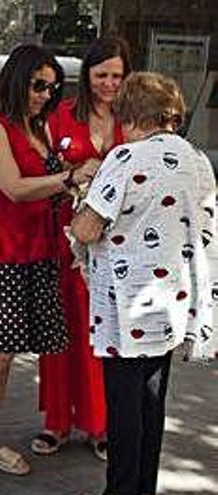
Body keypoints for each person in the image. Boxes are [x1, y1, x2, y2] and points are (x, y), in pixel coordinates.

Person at [0, 44, 98, 493]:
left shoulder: (40, 129)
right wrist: (68, 178)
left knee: (7, 355)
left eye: (52, 89)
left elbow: (45, 186)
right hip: (1, 255)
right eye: (37, 86)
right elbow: (13, 188)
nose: (45, 95)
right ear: (17, 80)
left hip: (38, 252)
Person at [70, 71, 215, 495]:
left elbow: (87, 229)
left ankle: (119, 490)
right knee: (152, 401)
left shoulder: (126, 158)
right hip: (171, 300)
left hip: (125, 306)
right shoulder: (198, 161)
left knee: (124, 406)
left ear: (129, 114)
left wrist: (82, 199)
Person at [35, 36, 131, 461]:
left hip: (117, 248)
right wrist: (74, 173)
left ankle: (100, 424)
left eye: (117, 75)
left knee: (103, 335)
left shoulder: (134, 120)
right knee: (61, 333)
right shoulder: (58, 116)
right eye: (102, 75)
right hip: (63, 242)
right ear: (86, 75)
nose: (110, 83)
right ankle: (56, 421)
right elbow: (41, 172)